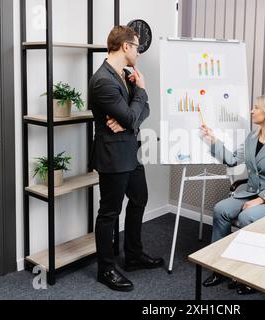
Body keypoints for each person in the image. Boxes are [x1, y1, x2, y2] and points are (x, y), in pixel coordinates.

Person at [89, 26, 164, 292]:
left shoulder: (124, 75)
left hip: (130, 152)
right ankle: (105, 269)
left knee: (140, 198)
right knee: (109, 213)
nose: (139, 53)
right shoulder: (103, 81)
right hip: (112, 157)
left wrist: (130, 118)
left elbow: (142, 111)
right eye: (137, 47)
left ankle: (132, 255)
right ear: (125, 47)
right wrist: (140, 95)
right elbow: (135, 114)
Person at [199, 95, 265, 294]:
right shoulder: (252, 137)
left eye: (256, 108)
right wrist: (213, 140)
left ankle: (248, 275)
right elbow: (233, 159)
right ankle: (220, 268)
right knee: (221, 209)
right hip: (250, 193)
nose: (252, 111)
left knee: (246, 217)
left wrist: (260, 200)